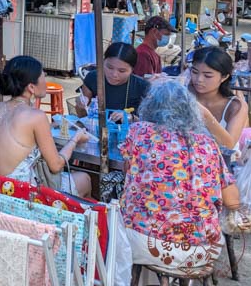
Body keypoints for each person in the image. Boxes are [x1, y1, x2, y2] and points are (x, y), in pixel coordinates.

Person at [120, 80, 241, 277]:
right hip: (200, 251)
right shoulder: (208, 144)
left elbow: (129, 172)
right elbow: (232, 201)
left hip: (142, 243)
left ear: (150, 106)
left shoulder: (139, 131)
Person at [0, 56, 92, 197]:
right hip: (17, 196)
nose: (46, 80)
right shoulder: (36, 116)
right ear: (31, 87)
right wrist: (76, 139)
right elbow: (56, 165)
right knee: (85, 179)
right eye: (43, 76)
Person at [190, 46, 249, 149]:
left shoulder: (235, 106)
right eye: (194, 72)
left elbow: (229, 145)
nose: (199, 79)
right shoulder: (182, 96)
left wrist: (206, 116)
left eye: (207, 76)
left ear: (224, 77)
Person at [77, 42, 150, 121]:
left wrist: (131, 118)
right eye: (109, 67)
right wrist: (80, 106)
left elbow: (151, 124)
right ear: (103, 62)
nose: (114, 74)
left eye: (122, 71)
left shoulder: (143, 87)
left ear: (132, 70)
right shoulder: (93, 78)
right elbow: (82, 116)